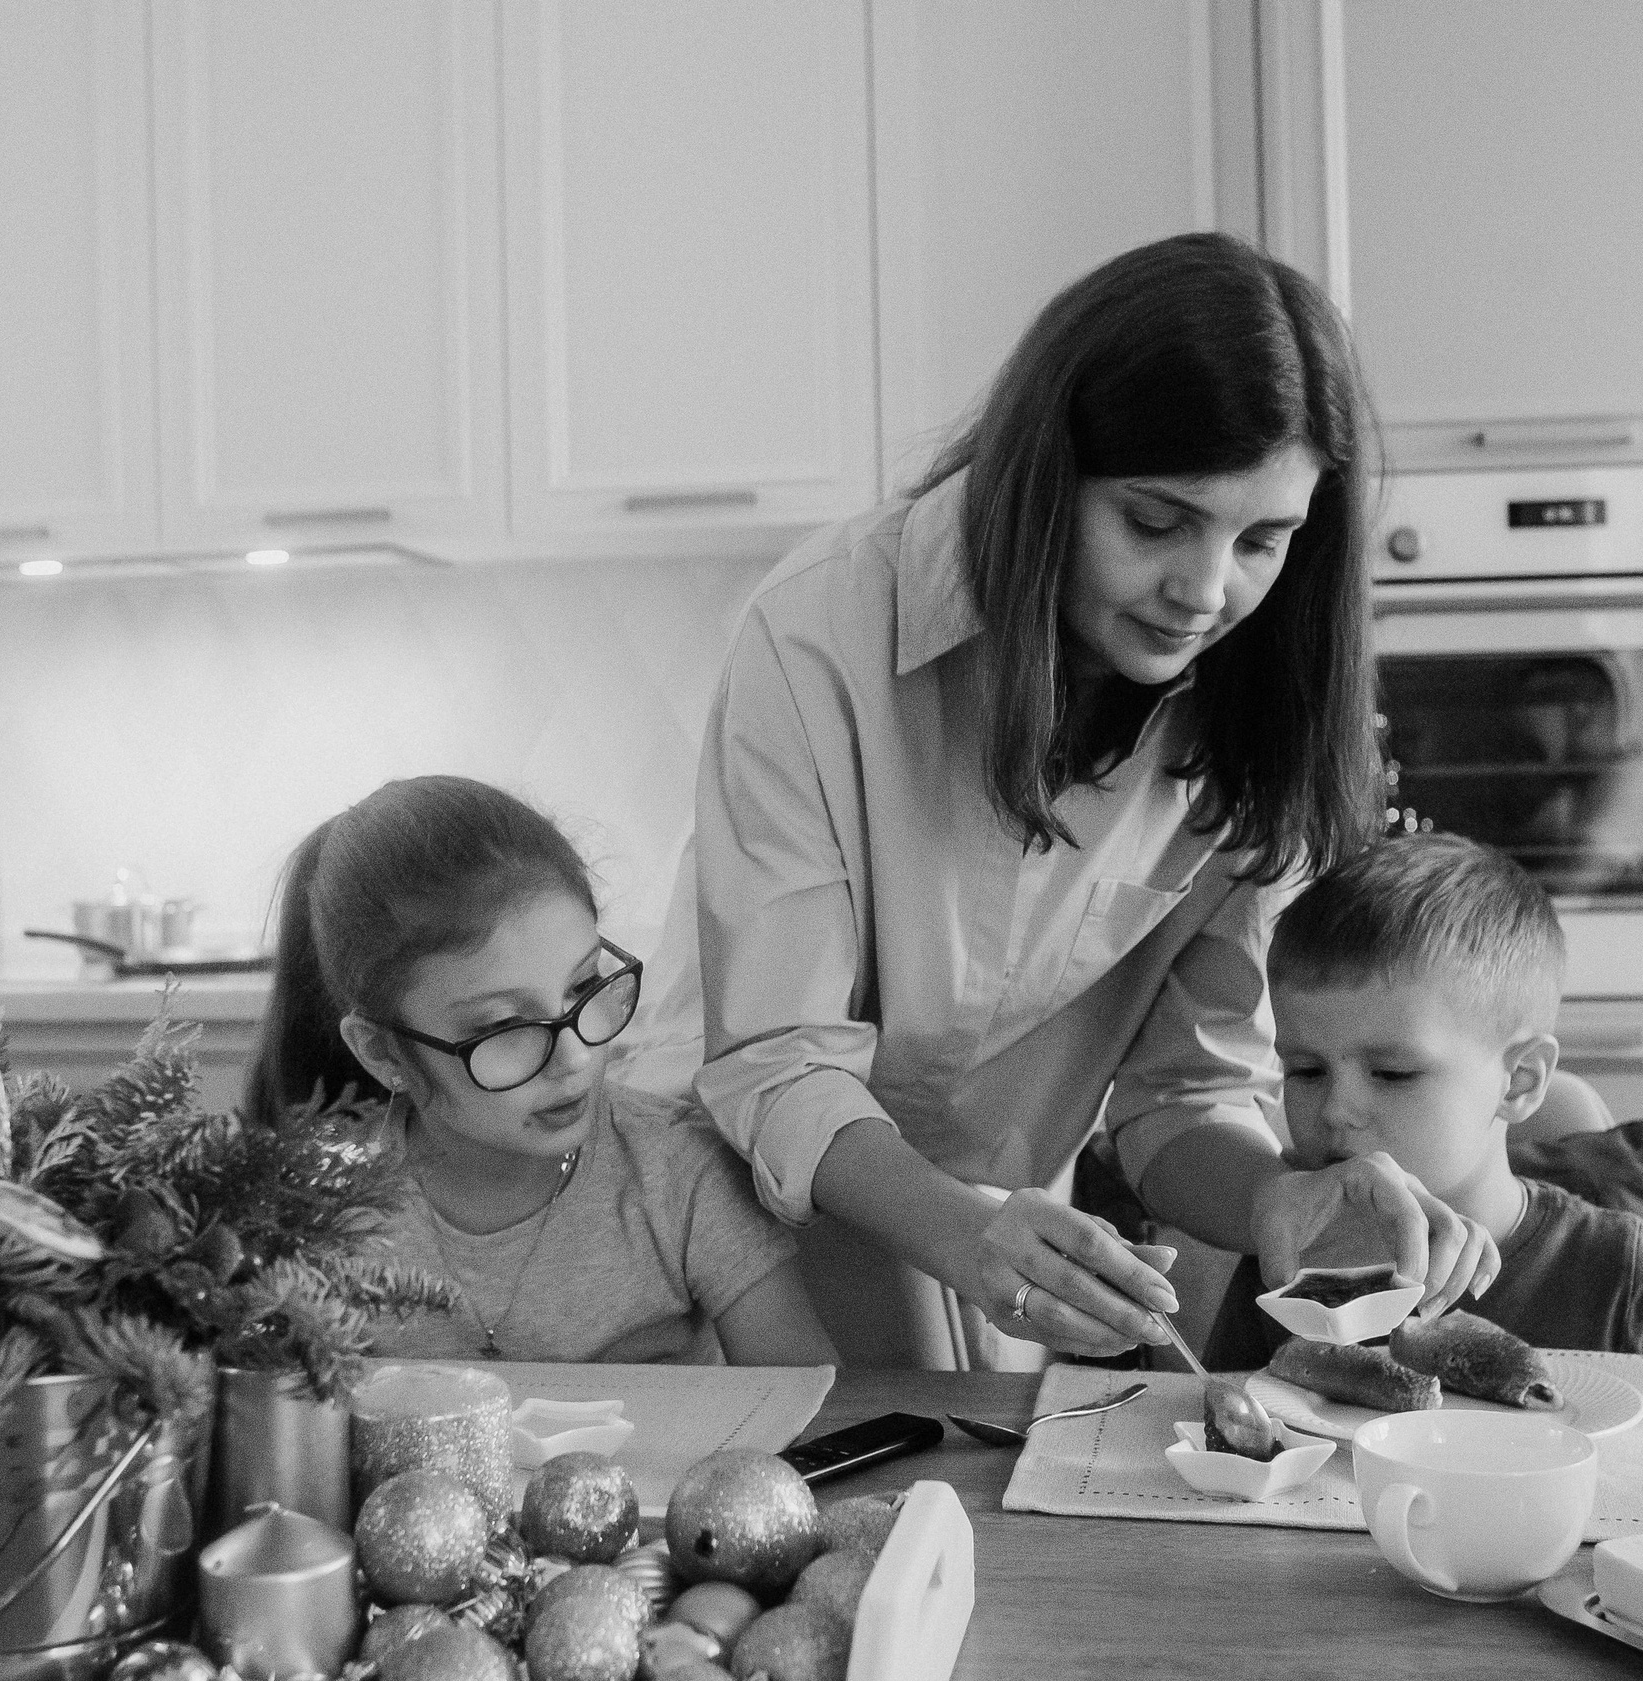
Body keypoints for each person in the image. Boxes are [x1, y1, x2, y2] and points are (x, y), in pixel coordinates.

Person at [625, 231, 1506, 1367]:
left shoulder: (1258, 711)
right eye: (1154, 522)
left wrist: (1272, 1205)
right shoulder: (820, 631)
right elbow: (777, 1061)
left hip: (998, 1245)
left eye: (1262, 540)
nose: (1204, 589)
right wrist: (969, 1235)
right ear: (1046, 478)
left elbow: (1184, 1089)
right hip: (726, 1210)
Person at [248, 776, 837, 1367]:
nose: (575, 1057)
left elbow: (808, 1406)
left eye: (582, 986)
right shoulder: (320, 1210)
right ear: (382, 1053)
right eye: (504, 1028)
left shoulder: (681, 1175)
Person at [1202, 833, 1643, 1369]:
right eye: (1305, 1070)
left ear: (1520, 1082)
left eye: (1392, 1073)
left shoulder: (1621, 1279)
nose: (1335, 1110)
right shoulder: (1291, 1254)